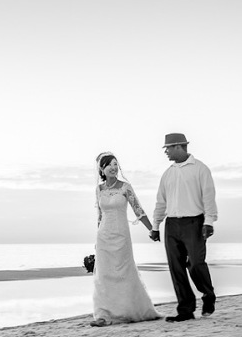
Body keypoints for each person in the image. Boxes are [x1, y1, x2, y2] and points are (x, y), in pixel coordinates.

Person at [151, 133, 218, 322]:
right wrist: (156, 225)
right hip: (172, 225)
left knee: (196, 263)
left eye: (168, 148)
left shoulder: (200, 169)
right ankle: (186, 310)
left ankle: (208, 295)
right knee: (176, 268)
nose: (166, 151)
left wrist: (209, 222)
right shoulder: (167, 174)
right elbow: (161, 202)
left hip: (194, 223)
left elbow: (208, 196)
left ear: (179, 146)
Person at [91, 152, 162, 327]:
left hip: (121, 234)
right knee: (104, 274)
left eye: (116, 164)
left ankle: (129, 309)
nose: (114, 168)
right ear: (102, 169)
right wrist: (96, 239)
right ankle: (103, 314)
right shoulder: (99, 189)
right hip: (103, 236)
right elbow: (99, 216)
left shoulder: (125, 187)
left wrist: (152, 229)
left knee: (124, 272)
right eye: (109, 165)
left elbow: (138, 210)